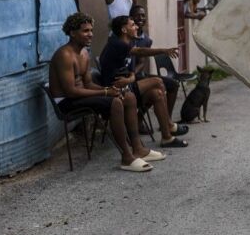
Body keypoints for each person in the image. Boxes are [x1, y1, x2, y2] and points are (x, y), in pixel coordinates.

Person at [49, 12, 166, 172]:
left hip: (79, 94)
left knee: (128, 96)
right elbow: (70, 91)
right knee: (115, 102)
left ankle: (138, 148)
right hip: (67, 101)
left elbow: (88, 83)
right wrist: (104, 92)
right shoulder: (65, 55)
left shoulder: (84, 53)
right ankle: (126, 157)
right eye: (85, 31)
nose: (90, 34)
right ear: (72, 33)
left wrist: (111, 90)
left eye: (91, 30)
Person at [99, 15, 189, 148]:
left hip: (126, 86)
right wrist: (164, 50)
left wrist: (131, 77)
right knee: (157, 81)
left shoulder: (124, 44)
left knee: (156, 93)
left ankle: (167, 138)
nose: (136, 27)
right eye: (132, 25)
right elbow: (140, 51)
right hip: (117, 91)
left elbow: (129, 71)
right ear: (124, 30)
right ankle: (169, 125)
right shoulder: (118, 44)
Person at [129, 5, 180, 123]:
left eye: (143, 15)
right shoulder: (127, 36)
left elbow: (141, 62)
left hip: (137, 74)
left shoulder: (146, 39)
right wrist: (130, 76)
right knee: (153, 88)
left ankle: (167, 120)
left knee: (173, 84)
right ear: (131, 18)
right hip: (127, 77)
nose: (141, 18)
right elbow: (138, 51)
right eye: (138, 15)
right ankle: (141, 121)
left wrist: (134, 74)